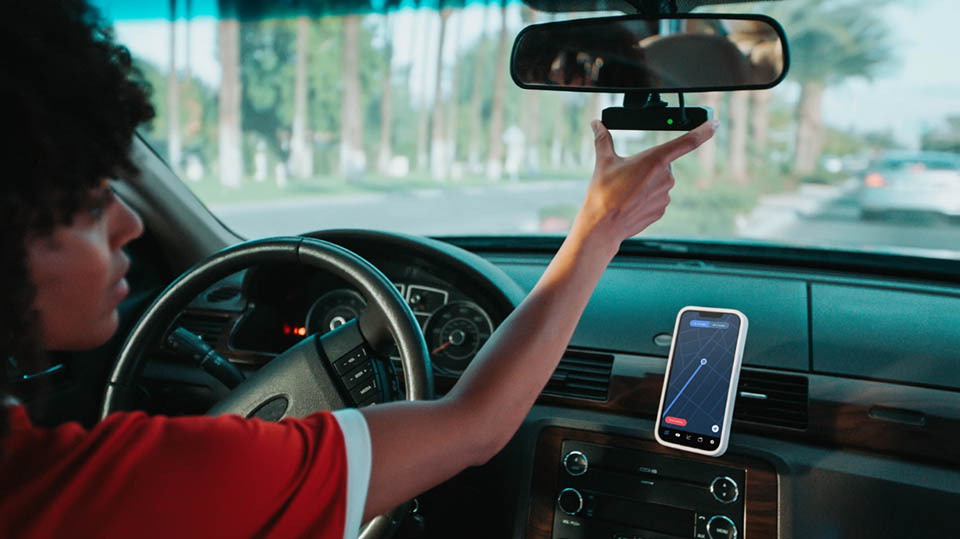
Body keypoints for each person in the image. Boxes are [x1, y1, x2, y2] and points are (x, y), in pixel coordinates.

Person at [0, 0, 717, 537]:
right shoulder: (125, 487)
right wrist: (599, 229)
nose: (131, 222)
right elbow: (473, 424)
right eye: (93, 206)